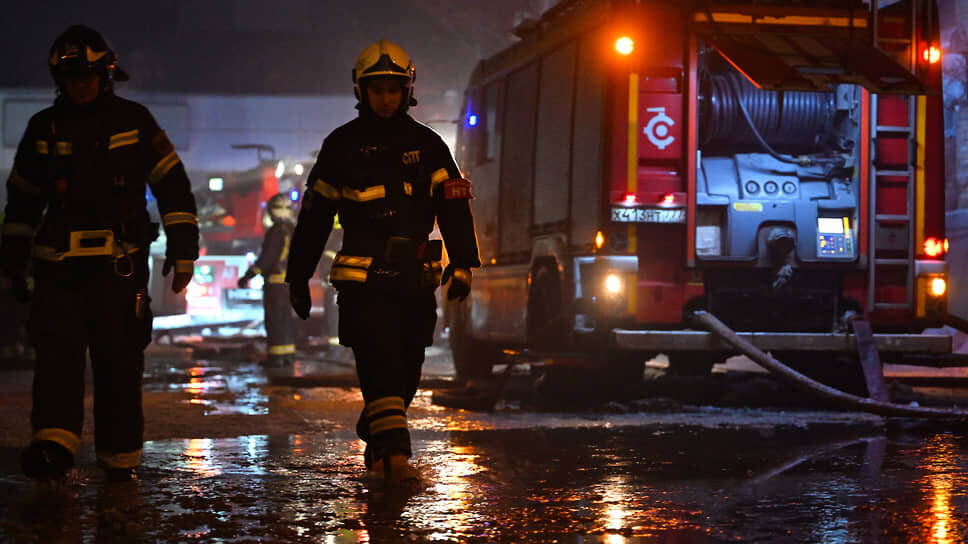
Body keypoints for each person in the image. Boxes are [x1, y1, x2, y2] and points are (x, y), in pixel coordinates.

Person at [0, 25, 198, 483]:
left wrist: (184, 250)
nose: (81, 84)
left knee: (119, 365)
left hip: (118, 270)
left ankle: (119, 459)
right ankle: (53, 448)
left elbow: (173, 187)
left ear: (106, 74)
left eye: (88, 75)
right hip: (58, 270)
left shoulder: (136, 122)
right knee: (56, 361)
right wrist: (12, 258)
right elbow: (23, 201)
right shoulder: (43, 129)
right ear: (59, 79)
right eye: (72, 77)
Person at [286, 39, 480, 483]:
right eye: (378, 90)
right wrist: (297, 276)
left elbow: (453, 206)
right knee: (378, 361)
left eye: (394, 89)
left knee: (407, 368)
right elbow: (314, 218)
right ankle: (395, 460)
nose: (387, 98)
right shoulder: (341, 146)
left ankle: (377, 425)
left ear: (408, 89)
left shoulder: (429, 145)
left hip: (415, 280)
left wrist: (464, 264)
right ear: (362, 91)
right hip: (363, 282)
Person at [238, 193, 297, 367]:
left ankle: (277, 358)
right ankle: (288, 355)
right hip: (289, 283)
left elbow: (268, 257)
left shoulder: (275, 231)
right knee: (285, 319)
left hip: (275, 283)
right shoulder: (293, 230)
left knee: (275, 320)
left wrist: (248, 275)